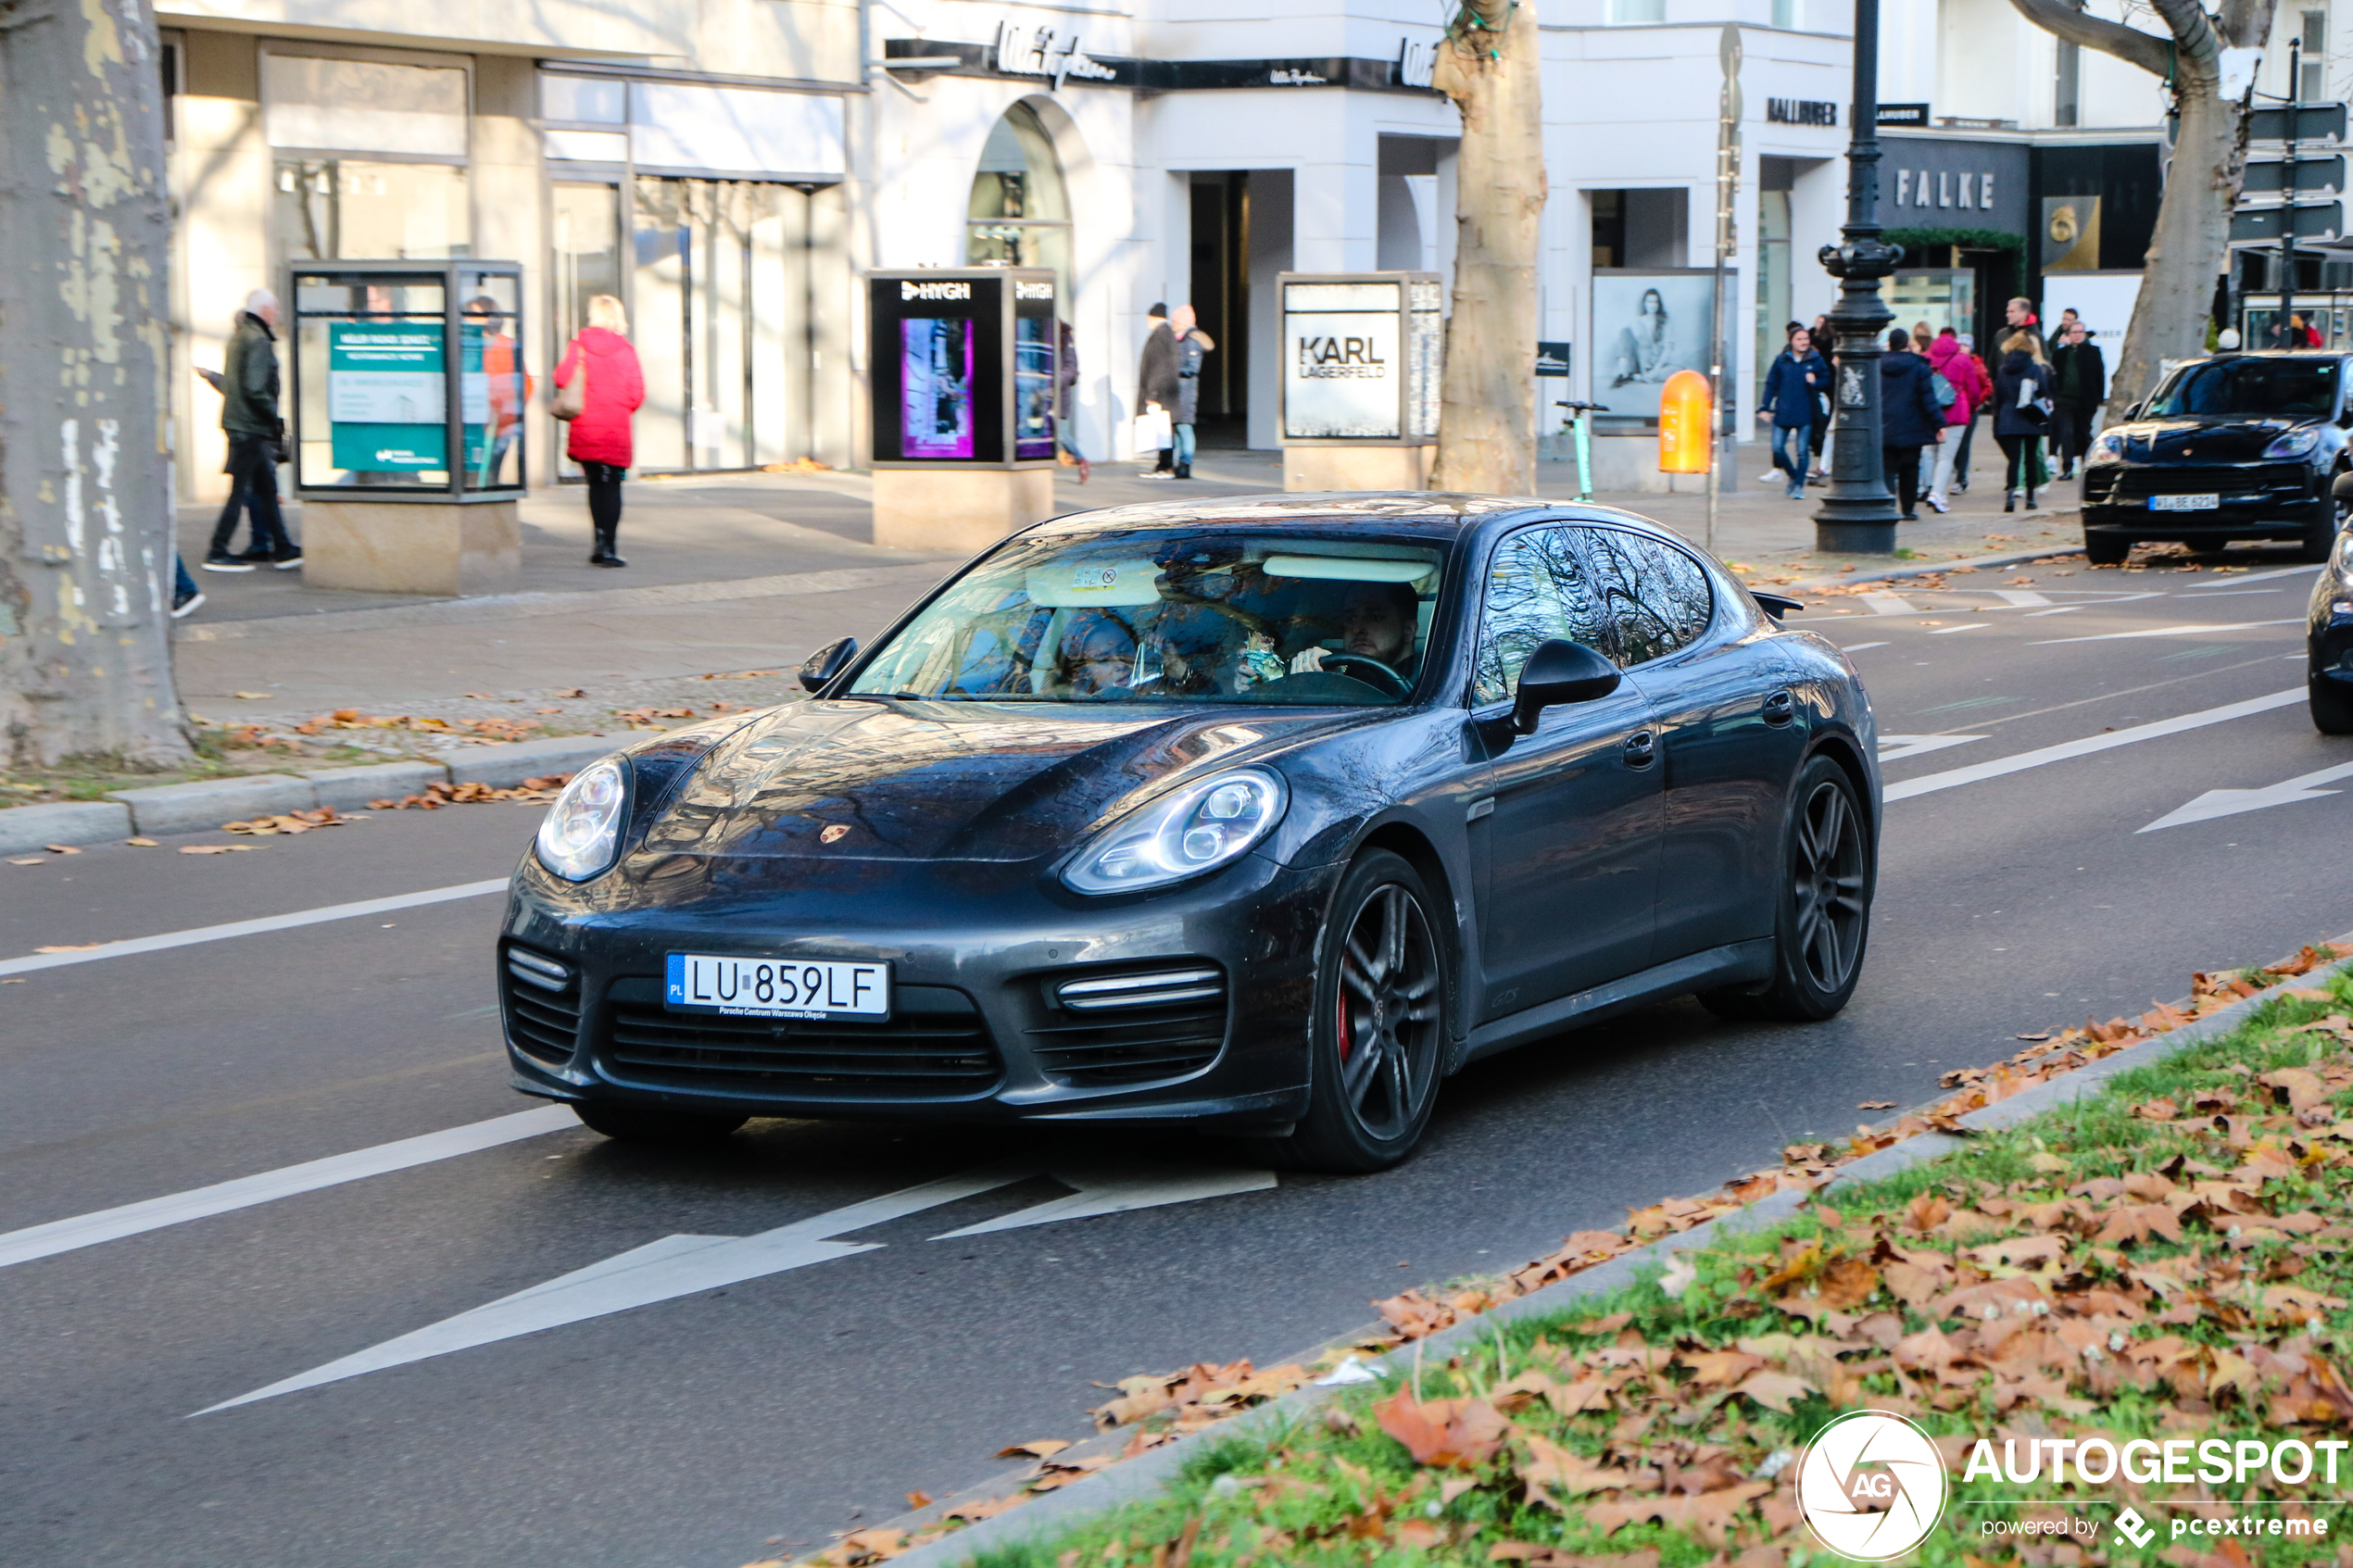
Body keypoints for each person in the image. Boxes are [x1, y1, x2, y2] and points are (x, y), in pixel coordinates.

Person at [203, 289, 299, 571]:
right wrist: (274, 417)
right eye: (276, 309)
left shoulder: (240, 337)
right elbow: (256, 388)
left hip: (243, 425)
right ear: (266, 310)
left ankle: (282, 547)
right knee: (240, 491)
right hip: (250, 427)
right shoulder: (258, 340)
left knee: (267, 489)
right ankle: (217, 550)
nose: (278, 315)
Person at [553, 294, 647, 568]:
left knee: (595, 485)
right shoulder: (626, 350)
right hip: (615, 430)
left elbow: (561, 377)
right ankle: (609, 547)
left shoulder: (578, 346)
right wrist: (617, 406)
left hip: (587, 428)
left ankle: (598, 543)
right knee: (612, 486)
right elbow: (637, 393)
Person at [1286, 580, 1421, 681]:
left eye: (1375, 617)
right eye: (1350, 619)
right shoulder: (1344, 673)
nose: (1357, 629)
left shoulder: (1428, 683)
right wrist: (1315, 669)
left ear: (1408, 630)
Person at [1879, 328, 1945, 522]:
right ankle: (1908, 509)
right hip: (1912, 425)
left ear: (1890, 343)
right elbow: (1928, 399)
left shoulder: (1877, 365)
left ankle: (1888, 505)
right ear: (1907, 344)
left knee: (1887, 468)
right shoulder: (1919, 367)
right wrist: (1939, 424)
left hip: (1885, 424)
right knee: (1910, 468)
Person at [464, 295, 531, 486]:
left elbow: (525, 385)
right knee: (470, 478)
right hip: (473, 424)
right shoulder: (466, 345)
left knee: (490, 476)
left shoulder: (507, 346)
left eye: (475, 314)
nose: (469, 319)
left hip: (499, 426)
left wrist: (507, 412)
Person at [1759, 326, 1831, 499]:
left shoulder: (1815, 359)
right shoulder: (1781, 360)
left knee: (1802, 451)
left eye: (1806, 338)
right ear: (1791, 341)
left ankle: (1799, 486)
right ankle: (1793, 474)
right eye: (1799, 339)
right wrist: (1764, 407)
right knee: (1777, 448)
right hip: (1783, 411)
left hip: (1806, 412)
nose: (1804, 342)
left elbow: (1826, 379)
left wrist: (1816, 381)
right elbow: (1771, 384)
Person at [1994, 331, 2056, 512]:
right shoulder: (2035, 368)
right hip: (2030, 416)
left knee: (2014, 460)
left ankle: (2010, 496)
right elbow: (2044, 391)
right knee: (2030, 459)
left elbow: (1999, 395)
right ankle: (2030, 498)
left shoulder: (2003, 369)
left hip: (2008, 415)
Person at [1925, 327, 1984, 511]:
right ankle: (1937, 492)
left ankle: (1930, 489)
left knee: (1931, 453)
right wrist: (1972, 405)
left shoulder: (1926, 358)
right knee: (1946, 456)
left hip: (1931, 411)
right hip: (1955, 412)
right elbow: (1974, 389)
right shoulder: (1962, 359)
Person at [2050, 322, 2108, 480]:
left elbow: (2099, 375)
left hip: (2085, 401)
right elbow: (2053, 375)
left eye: (2081, 332)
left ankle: (2088, 465)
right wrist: (2054, 395)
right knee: (2066, 433)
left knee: (2083, 433)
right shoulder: (2060, 354)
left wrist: (2099, 398)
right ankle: (2067, 468)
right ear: (2068, 335)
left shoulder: (2093, 352)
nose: (2078, 335)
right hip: (2064, 400)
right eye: (2074, 332)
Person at [1169, 305, 1214, 481]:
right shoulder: (1181, 339)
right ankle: (1180, 464)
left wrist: (1172, 369)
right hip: (1178, 391)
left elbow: (1192, 368)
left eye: (1174, 320)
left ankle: (1185, 464)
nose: (1172, 324)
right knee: (1178, 428)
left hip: (1185, 392)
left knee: (1185, 428)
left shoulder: (1191, 340)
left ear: (1181, 322)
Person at [1137, 303, 1179, 476]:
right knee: (1164, 429)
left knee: (1162, 430)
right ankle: (1163, 464)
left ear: (1154, 318)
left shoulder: (1160, 336)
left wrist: (1152, 393)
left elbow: (1157, 367)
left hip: (1160, 393)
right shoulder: (1167, 334)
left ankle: (1165, 466)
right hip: (1166, 392)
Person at [1608, 288, 1678, 386]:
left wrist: (1656, 369)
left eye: (1655, 302)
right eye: (1649, 301)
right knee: (1625, 332)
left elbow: (1668, 348)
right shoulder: (1637, 322)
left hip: (1657, 364)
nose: (1652, 305)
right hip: (1641, 364)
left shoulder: (1665, 322)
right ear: (1644, 303)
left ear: (1659, 304)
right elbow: (1630, 345)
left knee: (1678, 371)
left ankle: (1644, 377)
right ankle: (1625, 372)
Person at [1054, 317, 1089, 483]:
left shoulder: (1065, 338)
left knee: (1061, 433)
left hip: (1058, 393)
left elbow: (1071, 367)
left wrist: (1055, 382)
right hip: (1039, 392)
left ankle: (1081, 459)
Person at [1957, 332, 1993, 491]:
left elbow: (1987, 386)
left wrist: (1976, 400)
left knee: (1964, 444)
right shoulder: (1956, 362)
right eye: (1959, 345)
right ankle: (1959, 471)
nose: (1961, 348)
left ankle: (1961, 477)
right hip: (1958, 409)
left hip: (1971, 409)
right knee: (1955, 445)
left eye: (1964, 345)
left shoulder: (1977, 364)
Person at [1808, 314, 1836, 481]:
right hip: (1828, 384)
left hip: (1826, 384)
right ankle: (1824, 464)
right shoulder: (1828, 341)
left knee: (1828, 424)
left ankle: (1824, 465)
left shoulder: (1823, 343)